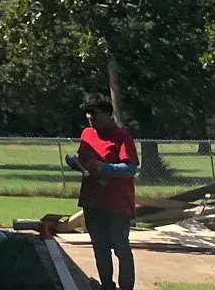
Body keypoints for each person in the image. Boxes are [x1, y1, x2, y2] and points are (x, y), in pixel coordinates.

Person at [73, 95, 139, 290]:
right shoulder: (87, 134)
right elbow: (84, 161)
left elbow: (130, 168)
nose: (89, 116)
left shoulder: (121, 137)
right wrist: (75, 164)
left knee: (121, 248)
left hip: (117, 203)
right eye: (87, 113)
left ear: (107, 114)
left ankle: (126, 287)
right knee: (99, 248)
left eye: (94, 113)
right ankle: (107, 286)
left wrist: (105, 168)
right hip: (92, 201)